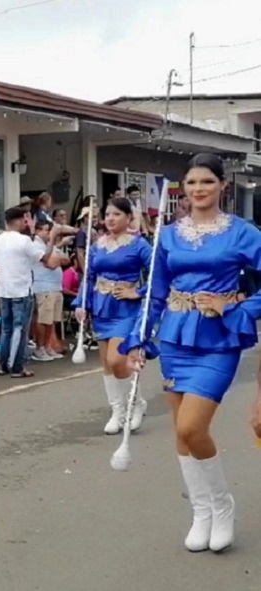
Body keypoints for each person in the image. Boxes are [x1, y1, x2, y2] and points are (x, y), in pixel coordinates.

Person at [122, 153, 261, 554]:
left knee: (190, 429)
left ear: (222, 186)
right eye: (192, 182)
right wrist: (138, 340)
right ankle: (201, 512)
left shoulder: (241, 232)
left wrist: (234, 306)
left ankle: (222, 505)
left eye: (207, 182)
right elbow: (155, 292)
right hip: (174, 339)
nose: (198, 189)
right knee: (181, 435)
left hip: (217, 340)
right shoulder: (168, 234)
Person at [73, 197, 152, 434]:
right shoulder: (97, 245)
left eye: (117, 214)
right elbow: (88, 277)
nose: (110, 218)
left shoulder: (139, 246)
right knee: (106, 363)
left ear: (129, 217)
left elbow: (158, 274)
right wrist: (81, 303)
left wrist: (136, 292)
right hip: (101, 307)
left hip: (126, 310)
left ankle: (136, 403)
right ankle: (117, 411)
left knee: (118, 361)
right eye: (107, 214)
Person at [0, 207, 59, 378]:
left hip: (4, 289)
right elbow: (45, 258)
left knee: (7, 329)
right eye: (25, 220)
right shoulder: (24, 241)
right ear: (19, 220)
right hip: (22, 289)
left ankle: (4, 365)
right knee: (20, 328)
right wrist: (53, 239)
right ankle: (17, 366)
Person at [31, 219, 69, 362]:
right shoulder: (36, 246)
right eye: (47, 230)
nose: (49, 233)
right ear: (38, 231)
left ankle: (47, 346)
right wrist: (54, 244)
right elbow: (52, 263)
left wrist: (55, 256)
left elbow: (65, 260)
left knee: (52, 320)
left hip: (55, 287)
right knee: (43, 319)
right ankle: (39, 347)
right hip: (43, 287)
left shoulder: (49, 246)